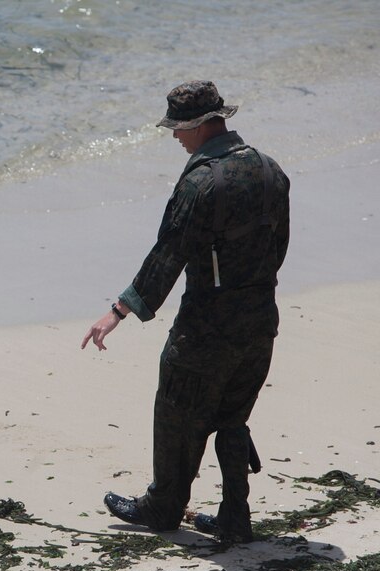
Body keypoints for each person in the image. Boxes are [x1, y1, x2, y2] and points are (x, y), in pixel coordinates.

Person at [81, 80, 290, 544]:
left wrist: (119, 310)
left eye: (178, 127)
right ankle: (235, 518)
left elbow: (169, 254)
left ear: (200, 125)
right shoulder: (270, 170)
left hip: (207, 328)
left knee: (177, 411)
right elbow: (279, 247)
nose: (175, 136)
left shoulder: (200, 183)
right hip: (261, 322)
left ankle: (162, 507)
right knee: (232, 417)